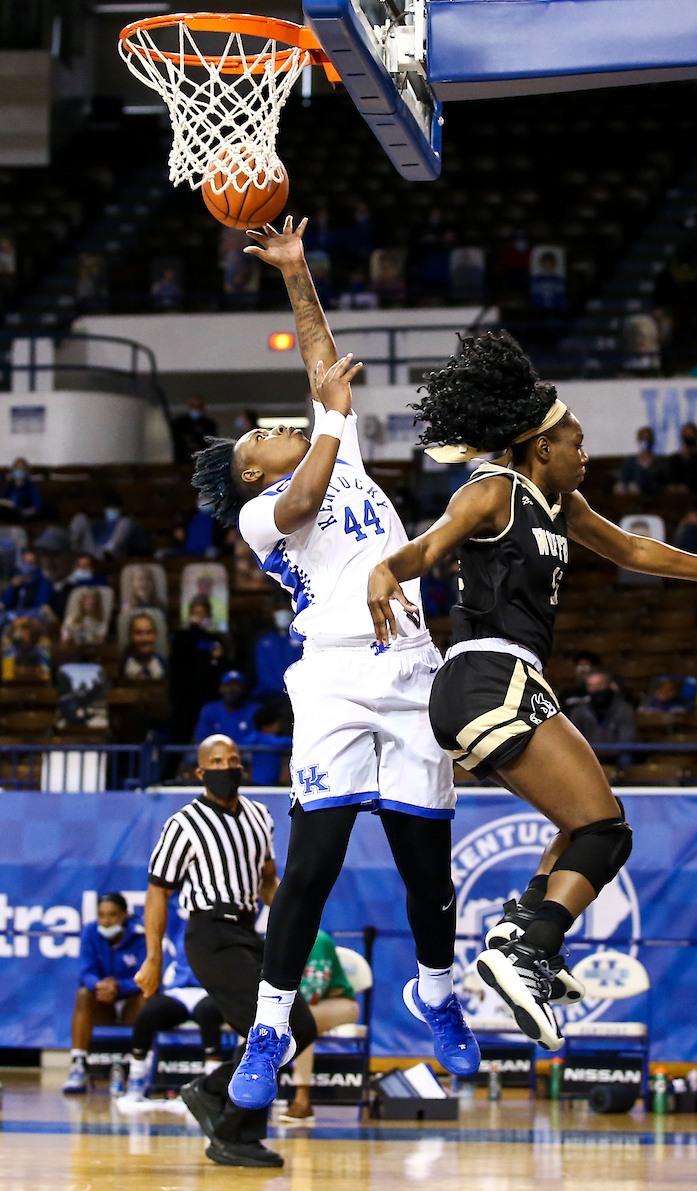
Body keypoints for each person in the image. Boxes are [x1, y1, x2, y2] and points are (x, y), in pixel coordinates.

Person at [367, 328, 697, 1049]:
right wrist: (386, 571)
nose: (586, 455)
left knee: (581, 826)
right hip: (485, 674)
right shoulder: (493, 489)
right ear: (540, 445)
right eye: (577, 442)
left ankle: (525, 937)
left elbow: (634, 549)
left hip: (512, 679)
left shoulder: (562, 506)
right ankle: (523, 949)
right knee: (604, 829)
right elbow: (432, 544)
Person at [191, 217, 479, 1112]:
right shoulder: (259, 513)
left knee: (426, 864)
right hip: (334, 678)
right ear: (250, 473)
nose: (268, 431)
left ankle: (435, 993)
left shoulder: (330, 438)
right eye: (256, 440)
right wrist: (328, 421)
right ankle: (269, 1030)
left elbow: (321, 357)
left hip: (410, 664)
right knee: (312, 864)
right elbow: (311, 480)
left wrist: (296, 271)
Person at [134, 734, 317, 1168]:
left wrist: (295, 916)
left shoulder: (258, 815)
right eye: (216, 760)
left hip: (248, 931)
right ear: (200, 772)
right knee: (269, 1028)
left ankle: (212, 1090)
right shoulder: (183, 823)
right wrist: (153, 957)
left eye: (233, 759)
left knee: (299, 1025)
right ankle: (234, 1135)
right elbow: (157, 891)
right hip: (209, 934)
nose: (226, 765)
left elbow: (268, 881)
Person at [125, 900, 224, 1102]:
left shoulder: (225, 931)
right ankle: (136, 1078)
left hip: (207, 991)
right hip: (178, 991)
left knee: (209, 1012)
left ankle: (210, 1084)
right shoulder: (180, 926)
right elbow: (161, 897)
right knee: (149, 1011)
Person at [63, 893, 147, 1094]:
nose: (106, 921)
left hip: (130, 1000)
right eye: (101, 915)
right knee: (83, 994)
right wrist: (100, 985)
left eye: (112, 915)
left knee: (147, 997)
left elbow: (147, 976)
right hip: (103, 1000)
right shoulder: (90, 932)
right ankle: (78, 1065)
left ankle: (141, 1071)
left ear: (124, 915)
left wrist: (119, 986)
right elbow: (86, 972)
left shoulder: (141, 934)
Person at [279, 929, 359, 1124]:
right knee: (253, 1023)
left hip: (338, 1001)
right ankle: (241, 1093)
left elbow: (315, 989)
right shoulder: (270, 938)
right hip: (293, 1006)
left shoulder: (319, 939)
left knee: (302, 1023)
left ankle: (302, 1100)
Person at [169, 598, 229, 743]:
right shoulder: (180, 636)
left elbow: (221, 666)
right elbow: (178, 659)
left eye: (203, 614)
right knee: (181, 737)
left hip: (209, 696)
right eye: (196, 613)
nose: (199, 618)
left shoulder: (215, 639)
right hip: (184, 698)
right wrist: (194, 630)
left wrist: (218, 658)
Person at [565, 671, 638, 760]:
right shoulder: (579, 712)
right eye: (592, 686)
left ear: (609, 685)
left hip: (616, 756)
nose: (596, 689)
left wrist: (605, 753)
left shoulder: (624, 709)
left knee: (626, 759)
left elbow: (626, 740)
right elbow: (574, 741)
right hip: (588, 756)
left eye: (600, 685)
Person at [194, 671, 261, 744]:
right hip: (216, 753)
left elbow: (260, 740)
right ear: (221, 688)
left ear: (242, 688)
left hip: (245, 753)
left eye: (236, 685)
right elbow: (201, 739)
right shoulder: (209, 710)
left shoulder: (254, 710)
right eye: (228, 685)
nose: (232, 689)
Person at [69, 491, 139, 560]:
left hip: (112, 553)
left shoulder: (124, 522)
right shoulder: (97, 522)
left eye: (114, 507)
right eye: (109, 507)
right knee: (80, 517)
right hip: (92, 551)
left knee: (126, 521)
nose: (111, 510)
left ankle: (106, 553)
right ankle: (72, 550)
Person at [251, 608, 303, 699]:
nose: (282, 615)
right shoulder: (262, 639)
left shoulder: (302, 639)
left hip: (296, 693)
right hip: (266, 695)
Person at [243, 701, 293, 785]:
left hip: (264, 781)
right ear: (266, 726)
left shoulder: (251, 738)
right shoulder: (267, 739)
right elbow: (288, 742)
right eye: (277, 724)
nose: (279, 727)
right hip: (263, 781)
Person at [667, 422, 697, 493]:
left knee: (695, 460)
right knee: (675, 459)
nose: (689, 436)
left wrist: (689, 457)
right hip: (679, 488)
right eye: (686, 434)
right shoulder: (678, 456)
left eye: (691, 434)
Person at [119, 612, 168, 682]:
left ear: (155, 635)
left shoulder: (163, 663)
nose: (144, 638)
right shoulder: (125, 664)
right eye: (138, 633)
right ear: (131, 636)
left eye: (149, 632)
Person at [617, 426, 665, 495]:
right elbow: (625, 478)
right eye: (643, 439)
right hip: (631, 489)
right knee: (621, 487)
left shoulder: (660, 462)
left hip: (651, 491)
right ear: (639, 441)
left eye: (648, 438)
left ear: (653, 441)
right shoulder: (630, 461)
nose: (646, 441)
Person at [171, 396, 218, 465]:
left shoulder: (209, 424)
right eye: (193, 406)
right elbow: (177, 439)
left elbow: (211, 441)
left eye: (198, 406)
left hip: (204, 461)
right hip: (184, 461)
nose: (196, 409)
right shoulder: (179, 422)